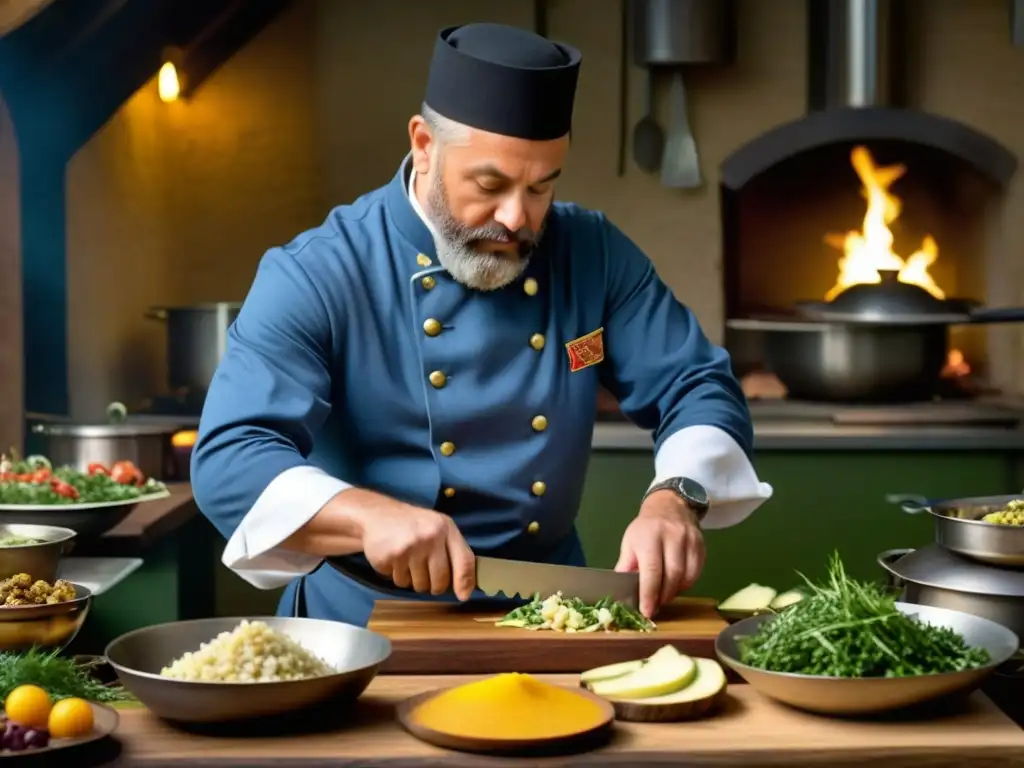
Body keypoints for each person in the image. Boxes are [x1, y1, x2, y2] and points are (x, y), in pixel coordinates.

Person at [191, 22, 772, 626]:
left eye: (541, 187)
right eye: (489, 184)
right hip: (363, 621)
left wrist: (676, 498)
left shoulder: (593, 254)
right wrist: (369, 516)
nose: (517, 218)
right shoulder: (318, 272)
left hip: (554, 613)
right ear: (423, 145)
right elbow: (230, 458)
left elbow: (696, 383)